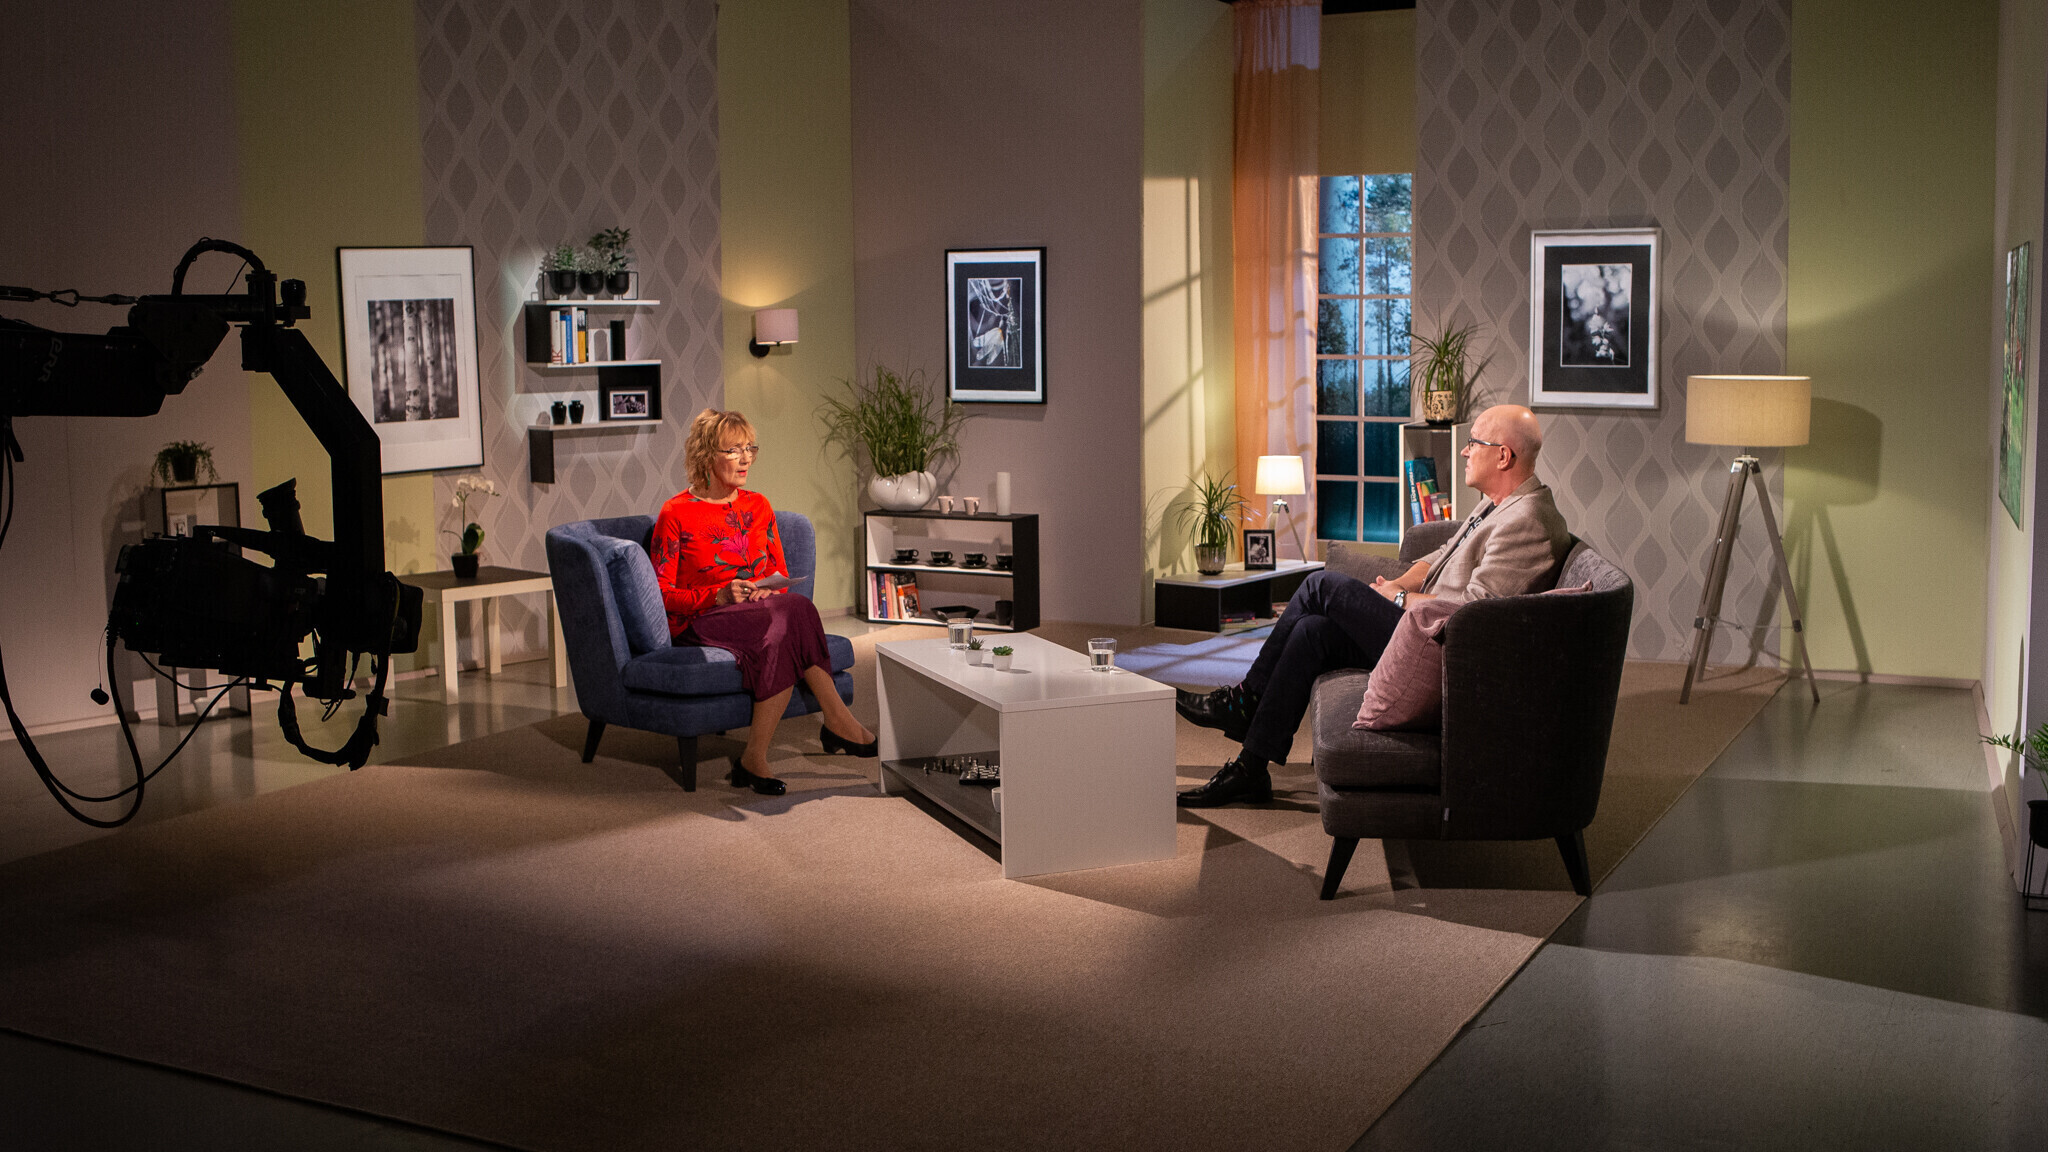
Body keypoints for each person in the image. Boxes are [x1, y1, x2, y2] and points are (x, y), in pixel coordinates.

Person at [1175, 404, 1572, 808]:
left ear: (1503, 456)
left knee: (1320, 585)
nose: (1465, 451)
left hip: (1441, 648)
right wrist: (1398, 585)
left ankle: (1242, 701)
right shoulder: (1497, 504)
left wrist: (1398, 599)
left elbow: (1473, 614)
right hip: (1420, 627)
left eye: (1473, 443)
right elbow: (1439, 556)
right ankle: (1250, 768)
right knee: (1312, 632)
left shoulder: (1527, 521)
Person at [650, 409, 879, 796]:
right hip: (702, 620)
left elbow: (779, 574)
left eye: (749, 448)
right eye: (733, 450)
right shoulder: (677, 513)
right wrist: (718, 594)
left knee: (785, 623)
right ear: (706, 456)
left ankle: (754, 758)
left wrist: (766, 591)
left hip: (758, 615)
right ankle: (838, 721)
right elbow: (661, 594)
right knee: (797, 612)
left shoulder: (758, 506)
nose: (745, 459)